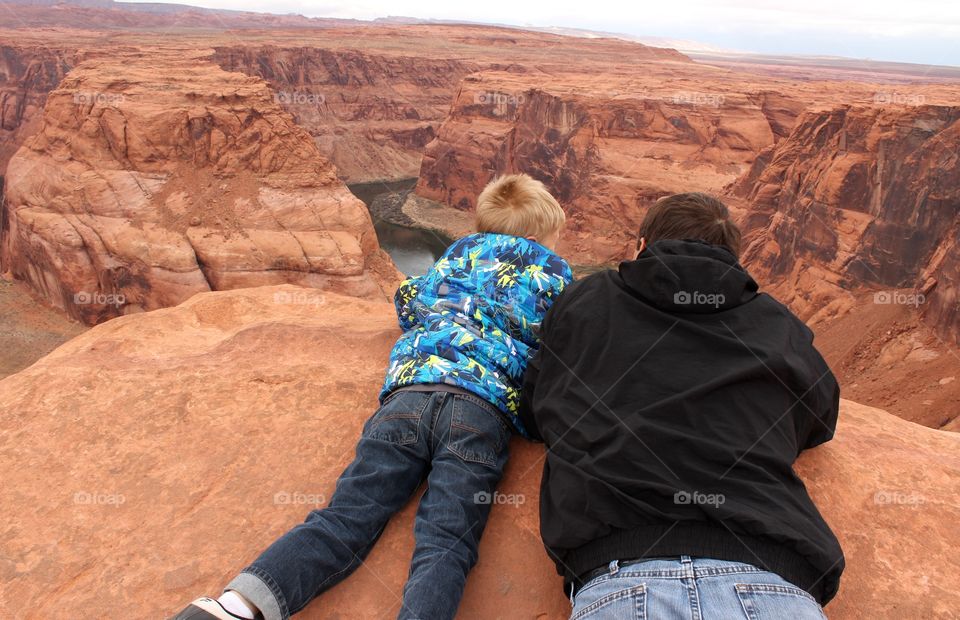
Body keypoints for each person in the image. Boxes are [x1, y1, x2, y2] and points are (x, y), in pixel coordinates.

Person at [173, 174, 573, 620]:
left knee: (347, 516)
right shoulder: (553, 275)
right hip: (479, 413)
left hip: (408, 398)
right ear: (537, 240)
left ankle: (236, 605)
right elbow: (565, 335)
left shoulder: (455, 257)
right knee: (445, 540)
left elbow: (406, 299)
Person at [519, 193, 843, 619]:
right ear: (734, 258)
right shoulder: (775, 322)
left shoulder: (588, 299)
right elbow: (821, 417)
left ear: (640, 246)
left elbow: (532, 407)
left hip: (622, 579)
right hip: (771, 582)